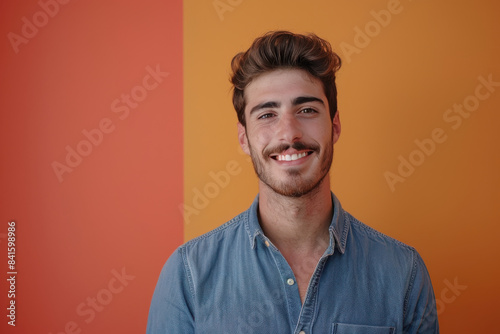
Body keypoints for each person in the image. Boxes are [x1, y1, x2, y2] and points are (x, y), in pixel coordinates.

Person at [146, 31, 439, 333]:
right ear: (244, 138)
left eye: (307, 110)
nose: (289, 134)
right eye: (267, 114)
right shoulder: (188, 273)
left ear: (334, 126)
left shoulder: (404, 272)